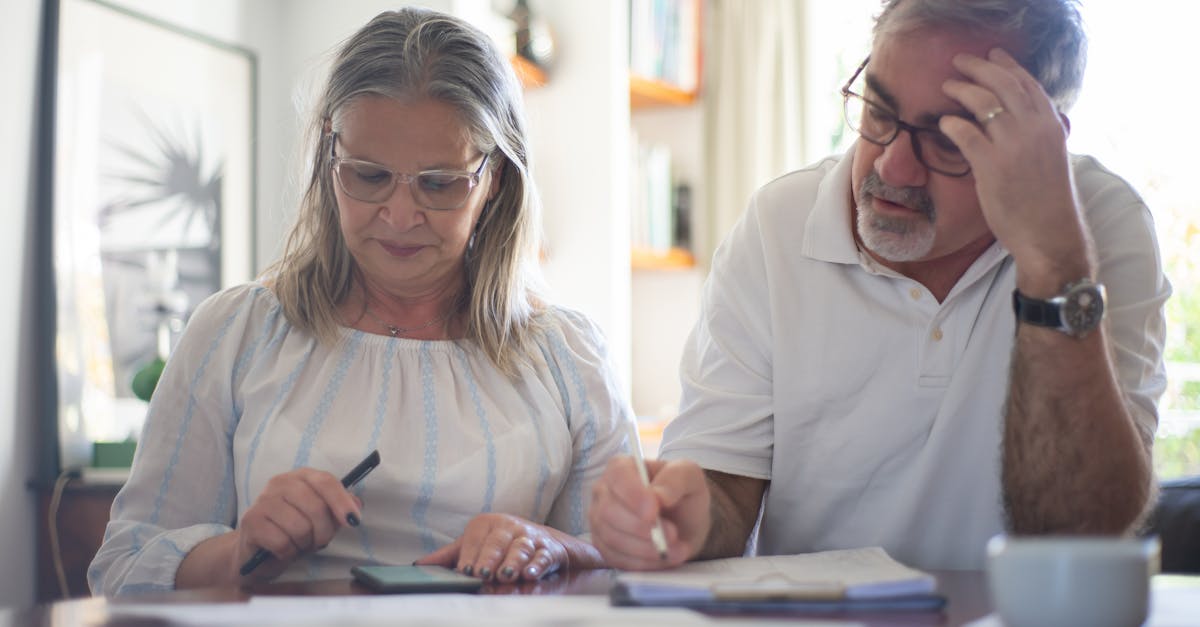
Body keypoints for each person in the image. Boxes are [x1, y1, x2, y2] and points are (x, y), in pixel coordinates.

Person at [589, 0, 1169, 572]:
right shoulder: (778, 225)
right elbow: (723, 489)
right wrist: (683, 519)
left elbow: (1082, 527)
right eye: (878, 113)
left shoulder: (1098, 223)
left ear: (1040, 143)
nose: (892, 168)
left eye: (948, 140)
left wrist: (1054, 262)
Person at [89, 8, 634, 595]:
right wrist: (243, 550)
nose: (400, 217)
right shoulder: (235, 333)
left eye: (439, 183)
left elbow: (634, 569)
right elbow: (122, 569)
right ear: (329, 158)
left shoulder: (568, 358)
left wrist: (558, 549)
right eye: (369, 176)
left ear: (495, 177)